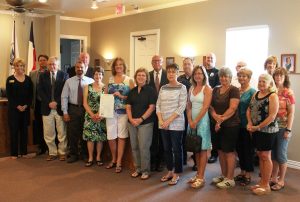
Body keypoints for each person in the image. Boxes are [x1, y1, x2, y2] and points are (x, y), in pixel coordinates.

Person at [247, 73, 279, 195]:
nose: (261, 83)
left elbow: (272, 116)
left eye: (263, 82)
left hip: (268, 131)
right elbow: (249, 109)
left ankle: (266, 185)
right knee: (260, 155)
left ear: (270, 83)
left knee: (266, 155)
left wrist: (258, 127)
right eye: (259, 81)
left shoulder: (273, 96)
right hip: (256, 129)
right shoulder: (256, 93)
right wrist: (250, 123)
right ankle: (262, 182)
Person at [157, 63, 187, 186]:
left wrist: (168, 121)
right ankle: (170, 171)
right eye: (169, 72)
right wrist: (160, 120)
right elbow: (158, 104)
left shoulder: (182, 87)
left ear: (177, 73)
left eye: (173, 72)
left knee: (176, 148)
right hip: (162, 123)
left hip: (176, 123)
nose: (170, 74)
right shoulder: (163, 87)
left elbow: (181, 107)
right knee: (166, 149)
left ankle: (177, 172)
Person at [210, 67, 240, 189]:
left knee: (229, 151)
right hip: (217, 124)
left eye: (226, 76)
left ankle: (230, 178)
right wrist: (215, 117)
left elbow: (232, 108)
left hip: (230, 125)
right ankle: (223, 174)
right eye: (221, 76)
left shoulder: (234, 90)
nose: (223, 78)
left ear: (230, 77)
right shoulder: (216, 89)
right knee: (220, 151)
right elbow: (210, 106)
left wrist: (220, 120)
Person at [105, 57, 134, 173]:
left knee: (122, 136)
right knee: (111, 136)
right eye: (116, 65)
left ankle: (119, 161)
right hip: (110, 112)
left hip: (123, 112)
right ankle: (113, 158)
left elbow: (133, 97)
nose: (118, 67)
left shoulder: (129, 80)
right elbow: (105, 96)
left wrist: (122, 97)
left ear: (124, 67)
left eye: (121, 65)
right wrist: (110, 96)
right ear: (114, 67)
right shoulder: (110, 79)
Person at [61, 61, 94, 163]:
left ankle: (84, 154)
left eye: (81, 67)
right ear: (75, 69)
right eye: (77, 67)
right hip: (73, 109)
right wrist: (65, 112)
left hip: (86, 109)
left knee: (85, 132)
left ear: (85, 68)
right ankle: (73, 154)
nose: (79, 69)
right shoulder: (69, 81)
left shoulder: (91, 81)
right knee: (72, 133)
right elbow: (64, 97)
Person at [126, 68, 156, 180]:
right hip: (132, 123)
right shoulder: (132, 91)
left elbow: (152, 107)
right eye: (139, 75)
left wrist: (141, 119)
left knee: (144, 147)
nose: (141, 77)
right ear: (135, 77)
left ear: (146, 78)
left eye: (143, 75)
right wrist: (131, 119)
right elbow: (128, 107)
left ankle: (145, 171)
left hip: (145, 123)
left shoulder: (151, 90)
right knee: (134, 147)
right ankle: (137, 168)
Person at [38, 57, 69, 161]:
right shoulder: (42, 76)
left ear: (58, 65)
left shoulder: (64, 75)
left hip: (60, 108)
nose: (52, 66)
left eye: (54, 64)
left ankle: (62, 152)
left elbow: (65, 92)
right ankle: (52, 152)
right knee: (48, 132)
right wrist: (49, 103)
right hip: (47, 108)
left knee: (62, 132)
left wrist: (57, 102)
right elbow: (40, 91)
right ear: (48, 65)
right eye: (50, 64)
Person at [186, 65, 212, 188]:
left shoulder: (207, 88)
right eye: (195, 73)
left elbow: (206, 107)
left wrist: (196, 121)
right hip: (192, 121)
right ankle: (197, 174)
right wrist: (190, 120)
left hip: (202, 121)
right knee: (195, 148)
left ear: (204, 75)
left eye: (200, 73)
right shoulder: (191, 88)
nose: (197, 75)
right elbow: (189, 106)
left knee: (202, 150)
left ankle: (201, 177)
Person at [270, 67, 295, 191]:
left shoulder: (288, 93)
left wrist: (288, 130)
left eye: (281, 76)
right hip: (271, 128)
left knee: (281, 154)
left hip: (283, 128)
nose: (278, 77)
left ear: (285, 78)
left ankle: (281, 180)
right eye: (276, 75)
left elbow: (291, 113)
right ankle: (273, 178)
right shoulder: (272, 91)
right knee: (273, 155)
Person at [6, 58, 33, 159]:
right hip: (14, 110)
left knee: (24, 131)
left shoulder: (28, 79)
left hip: (25, 110)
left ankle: (23, 152)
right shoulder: (10, 79)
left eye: (21, 66)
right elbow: (9, 95)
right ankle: (14, 153)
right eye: (17, 66)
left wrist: (26, 105)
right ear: (14, 67)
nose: (19, 68)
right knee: (14, 131)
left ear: (24, 67)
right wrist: (17, 106)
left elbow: (31, 94)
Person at [234, 67, 256, 186]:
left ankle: (248, 175)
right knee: (239, 150)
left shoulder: (253, 92)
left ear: (249, 78)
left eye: (244, 76)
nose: (241, 78)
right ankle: (242, 172)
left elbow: (254, 110)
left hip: (247, 125)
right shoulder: (237, 90)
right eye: (240, 75)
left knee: (248, 150)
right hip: (237, 125)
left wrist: (251, 124)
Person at [83, 67, 107, 167]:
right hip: (90, 115)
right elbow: (84, 103)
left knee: (100, 137)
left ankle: (98, 157)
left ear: (102, 75)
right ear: (93, 75)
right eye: (96, 74)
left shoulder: (105, 87)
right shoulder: (87, 86)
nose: (98, 76)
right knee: (90, 137)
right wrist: (92, 115)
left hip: (101, 116)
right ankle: (90, 158)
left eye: (100, 74)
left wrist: (100, 114)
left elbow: (106, 103)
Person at [149, 55, 168, 172]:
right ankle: (153, 161)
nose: (156, 62)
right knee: (152, 137)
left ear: (162, 62)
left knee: (163, 138)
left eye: (159, 61)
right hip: (151, 111)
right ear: (151, 63)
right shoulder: (148, 75)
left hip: (164, 112)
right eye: (154, 61)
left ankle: (162, 161)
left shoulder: (167, 74)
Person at [29, 54, 49, 155]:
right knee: (39, 126)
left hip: (47, 103)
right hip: (37, 103)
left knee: (48, 125)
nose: (42, 62)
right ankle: (41, 147)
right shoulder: (32, 73)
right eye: (40, 60)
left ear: (47, 61)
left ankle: (49, 146)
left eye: (44, 60)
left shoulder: (50, 73)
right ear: (38, 62)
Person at [177, 57, 194, 167]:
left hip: (194, 111)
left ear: (192, 64)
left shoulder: (196, 77)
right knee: (182, 136)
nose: (186, 66)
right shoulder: (180, 78)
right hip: (182, 111)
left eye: (188, 64)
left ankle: (196, 162)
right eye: (185, 64)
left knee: (193, 136)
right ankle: (183, 159)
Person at [204, 52, 220, 164]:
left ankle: (214, 154)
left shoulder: (218, 73)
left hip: (213, 105)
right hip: (202, 104)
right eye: (207, 58)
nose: (209, 59)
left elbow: (218, 88)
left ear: (214, 60)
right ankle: (201, 151)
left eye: (211, 58)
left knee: (214, 131)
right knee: (204, 129)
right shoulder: (202, 71)